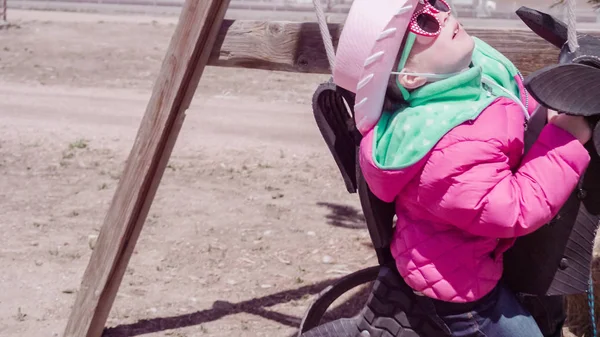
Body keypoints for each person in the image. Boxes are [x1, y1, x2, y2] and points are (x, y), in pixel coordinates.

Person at [332, 0, 592, 336]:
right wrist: (563, 140)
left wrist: (547, 112)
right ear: (410, 76)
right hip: (459, 291)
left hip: (471, 255)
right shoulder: (447, 144)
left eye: (435, 3)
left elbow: (516, 111)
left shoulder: (473, 82)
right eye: (423, 22)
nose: (442, 14)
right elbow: (511, 210)